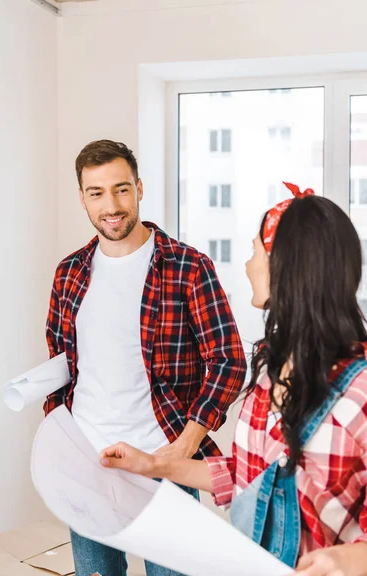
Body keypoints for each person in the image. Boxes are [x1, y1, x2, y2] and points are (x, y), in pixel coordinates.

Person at [101, 184, 367, 576]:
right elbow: (245, 476)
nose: (248, 265)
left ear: (285, 267)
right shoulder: (268, 373)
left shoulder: (359, 391)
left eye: (256, 251)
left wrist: (348, 559)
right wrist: (152, 465)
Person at [44, 139, 246, 576]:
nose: (111, 205)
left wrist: (183, 447)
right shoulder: (70, 273)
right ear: (82, 198)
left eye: (121, 189)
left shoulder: (187, 267)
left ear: (139, 188)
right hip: (90, 468)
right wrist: (62, 440)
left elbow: (229, 360)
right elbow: (60, 368)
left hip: (163, 466)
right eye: (96, 193)